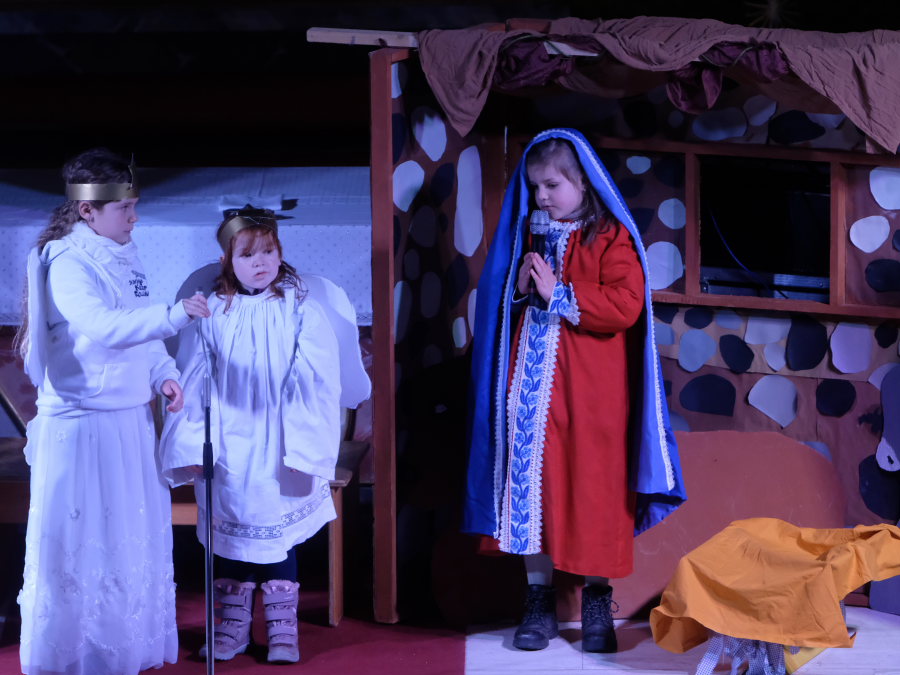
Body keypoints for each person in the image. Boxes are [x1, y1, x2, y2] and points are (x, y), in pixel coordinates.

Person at [465, 128, 687, 652]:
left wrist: (559, 292)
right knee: (531, 485)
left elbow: (627, 305)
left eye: (553, 185)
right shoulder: (527, 235)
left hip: (592, 394)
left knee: (595, 491)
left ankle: (596, 605)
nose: (542, 197)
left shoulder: (610, 236)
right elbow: (503, 309)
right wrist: (520, 291)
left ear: (582, 182)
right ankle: (538, 601)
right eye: (535, 187)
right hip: (530, 392)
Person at [16, 147, 210, 675]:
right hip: (85, 425)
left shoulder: (125, 253)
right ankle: (78, 651)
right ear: (88, 210)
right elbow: (103, 326)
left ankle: (125, 643)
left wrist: (162, 373)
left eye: (134, 206)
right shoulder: (67, 262)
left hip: (128, 421)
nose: (134, 217)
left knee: (128, 538)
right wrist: (176, 315)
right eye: (124, 208)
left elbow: (138, 325)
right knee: (86, 543)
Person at [159, 206, 370, 664]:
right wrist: (192, 437)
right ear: (227, 261)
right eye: (248, 255)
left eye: (268, 252)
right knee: (231, 532)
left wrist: (301, 437)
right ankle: (232, 624)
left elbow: (318, 374)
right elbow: (194, 376)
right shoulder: (213, 311)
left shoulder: (299, 307)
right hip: (229, 442)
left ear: (280, 253)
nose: (260, 263)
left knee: (276, 533)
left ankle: (281, 627)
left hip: (279, 439)